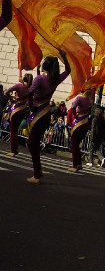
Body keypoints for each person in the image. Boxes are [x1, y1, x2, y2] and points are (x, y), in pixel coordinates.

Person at [25, 52, 70, 183]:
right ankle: (38, 170)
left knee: (31, 143)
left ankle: (37, 174)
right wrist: (64, 57)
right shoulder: (55, 79)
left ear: (45, 66)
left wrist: (31, 106)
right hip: (46, 113)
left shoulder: (40, 79)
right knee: (35, 143)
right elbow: (68, 70)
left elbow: (30, 92)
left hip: (37, 113)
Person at [65, 88, 94, 172]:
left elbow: (73, 107)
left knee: (74, 144)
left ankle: (75, 165)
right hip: (85, 123)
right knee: (77, 145)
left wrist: (74, 115)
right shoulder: (90, 101)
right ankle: (79, 164)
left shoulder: (79, 98)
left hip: (78, 122)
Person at [6, 74, 33, 156]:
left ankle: (13, 150)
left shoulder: (19, 86)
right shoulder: (31, 89)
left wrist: (11, 99)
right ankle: (16, 148)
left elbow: (7, 92)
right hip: (23, 110)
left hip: (16, 109)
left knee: (13, 131)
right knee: (16, 130)